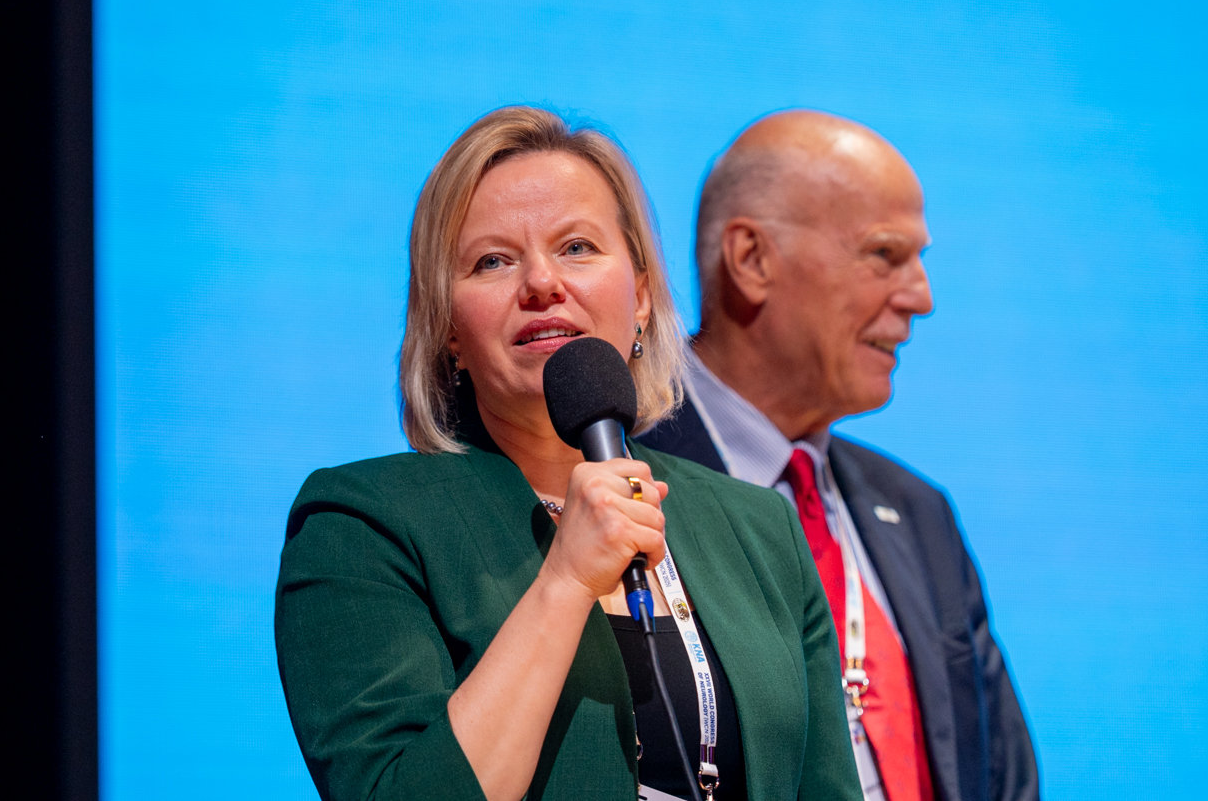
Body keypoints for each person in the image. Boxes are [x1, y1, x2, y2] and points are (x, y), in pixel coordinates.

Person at [274, 106, 863, 801]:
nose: (542, 283)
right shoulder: (360, 526)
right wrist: (565, 580)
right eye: (493, 261)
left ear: (642, 295)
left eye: (577, 247)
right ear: (448, 329)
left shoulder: (759, 528)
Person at [637, 110, 1040, 801]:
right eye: (884, 255)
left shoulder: (919, 513)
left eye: (918, 260)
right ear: (752, 260)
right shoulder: (619, 486)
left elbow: (1001, 775)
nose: (921, 298)